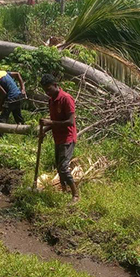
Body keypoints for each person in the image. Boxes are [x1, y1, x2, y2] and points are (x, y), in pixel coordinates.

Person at [39, 73, 79, 202]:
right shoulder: (51, 100)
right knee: (59, 166)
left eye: (49, 89)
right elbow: (54, 120)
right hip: (58, 137)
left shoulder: (66, 99)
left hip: (67, 137)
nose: (47, 92)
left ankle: (75, 195)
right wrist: (44, 130)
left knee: (63, 168)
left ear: (56, 85)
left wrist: (50, 123)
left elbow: (70, 122)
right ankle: (64, 191)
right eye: (45, 90)